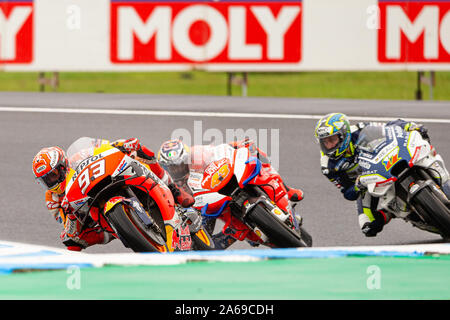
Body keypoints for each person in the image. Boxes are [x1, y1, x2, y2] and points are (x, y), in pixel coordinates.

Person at [32, 138, 195, 251]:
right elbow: (68, 227)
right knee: (71, 241)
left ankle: (173, 190)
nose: (51, 182)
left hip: (108, 180)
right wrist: (70, 218)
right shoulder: (52, 199)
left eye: (53, 175)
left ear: (63, 166)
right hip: (91, 217)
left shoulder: (77, 158)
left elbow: (105, 148)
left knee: (140, 152)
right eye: (46, 180)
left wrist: (122, 144)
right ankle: (127, 233)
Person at [314, 112, 449, 237]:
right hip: (366, 184)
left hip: (382, 164)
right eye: (324, 142)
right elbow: (348, 193)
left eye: (332, 139)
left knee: (426, 155)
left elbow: (391, 128)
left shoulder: (359, 130)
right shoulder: (328, 166)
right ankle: (391, 213)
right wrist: (357, 185)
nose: (328, 145)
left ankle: (444, 182)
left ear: (344, 135)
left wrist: (410, 127)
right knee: (368, 226)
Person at [157, 138, 304, 249]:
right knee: (200, 243)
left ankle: (286, 190)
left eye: (179, 164)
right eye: (172, 168)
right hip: (210, 205)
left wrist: (234, 147)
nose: (177, 170)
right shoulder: (172, 184)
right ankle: (234, 236)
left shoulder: (198, 155)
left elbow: (218, 151)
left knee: (251, 148)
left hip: (222, 181)